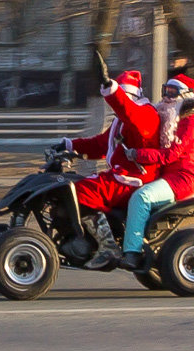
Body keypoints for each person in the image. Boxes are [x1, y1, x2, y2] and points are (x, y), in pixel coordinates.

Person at [55, 69, 160, 268]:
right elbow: (101, 144)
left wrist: (112, 91)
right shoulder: (122, 121)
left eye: (118, 98)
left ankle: (108, 246)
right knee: (69, 184)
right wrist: (69, 145)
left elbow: (130, 113)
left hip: (134, 179)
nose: (113, 105)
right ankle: (77, 236)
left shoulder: (144, 115)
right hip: (120, 176)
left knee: (79, 192)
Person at [117, 74, 194, 271]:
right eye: (165, 91)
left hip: (184, 177)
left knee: (141, 197)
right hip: (168, 175)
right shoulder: (168, 118)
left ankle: (132, 252)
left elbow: (171, 154)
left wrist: (138, 154)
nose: (167, 97)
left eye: (173, 93)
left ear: (184, 97)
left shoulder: (189, 123)